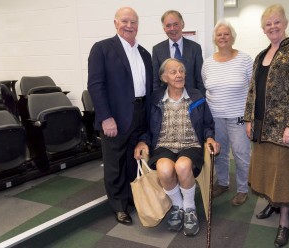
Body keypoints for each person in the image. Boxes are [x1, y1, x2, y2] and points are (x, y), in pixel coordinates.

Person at [244, 4, 289, 247]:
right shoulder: (261, 56)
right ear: (263, 29)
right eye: (268, 24)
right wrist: (249, 119)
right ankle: (273, 205)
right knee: (266, 169)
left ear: (285, 23)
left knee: (282, 174)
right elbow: (252, 91)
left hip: (283, 128)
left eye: (276, 22)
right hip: (262, 126)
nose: (273, 27)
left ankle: (285, 220)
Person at [134, 58, 219, 236]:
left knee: (182, 166)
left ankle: (189, 209)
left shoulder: (196, 96)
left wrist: (210, 138)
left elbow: (207, 124)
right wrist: (142, 141)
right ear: (164, 77)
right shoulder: (155, 99)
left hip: (190, 144)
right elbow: (147, 128)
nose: (179, 75)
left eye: (181, 71)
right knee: (164, 169)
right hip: (164, 144)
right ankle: (177, 206)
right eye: (173, 72)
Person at [87, 7, 153, 225]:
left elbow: (149, 87)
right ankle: (118, 206)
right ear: (115, 23)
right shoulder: (102, 48)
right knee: (114, 163)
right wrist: (106, 117)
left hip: (140, 113)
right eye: (125, 21)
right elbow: (96, 86)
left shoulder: (144, 53)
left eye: (133, 22)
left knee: (133, 161)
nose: (129, 25)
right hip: (115, 117)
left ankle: (132, 198)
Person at [202, 20, 253, 206]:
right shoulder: (207, 63)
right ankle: (223, 183)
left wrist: (250, 118)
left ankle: (242, 189)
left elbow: (253, 90)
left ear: (232, 37)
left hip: (238, 116)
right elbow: (206, 88)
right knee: (219, 153)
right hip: (215, 117)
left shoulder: (245, 59)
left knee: (241, 154)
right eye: (219, 34)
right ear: (214, 39)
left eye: (226, 34)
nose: (222, 37)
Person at [152, 10, 205, 94]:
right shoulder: (157, 50)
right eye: (168, 25)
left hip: (192, 101)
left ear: (182, 24)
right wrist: (157, 102)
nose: (172, 28)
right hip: (167, 103)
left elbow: (200, 79)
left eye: (176, 24)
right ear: (164, 28)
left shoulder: (195, 48)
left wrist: (200, 100)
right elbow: (155, 81)